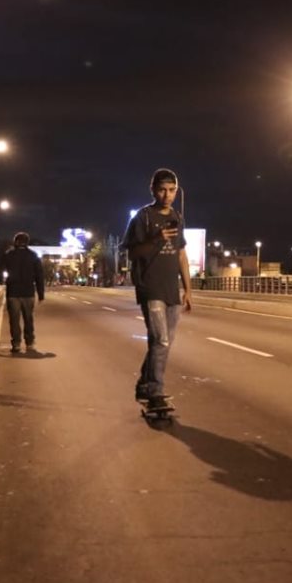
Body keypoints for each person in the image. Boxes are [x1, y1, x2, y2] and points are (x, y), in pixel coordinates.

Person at [125, 168, 192, 410]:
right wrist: (156, 239)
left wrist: (189, 290)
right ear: (153, 190)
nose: (167, 195)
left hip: (171, 289)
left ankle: (145, 385)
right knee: (160, 341)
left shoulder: (177, 217)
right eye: (162, 190)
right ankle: (155, 391)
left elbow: (182, 255)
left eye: (172, 190)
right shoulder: (142, 217)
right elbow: (132, 252)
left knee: (162, 343)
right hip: (150, 286)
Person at [0, 231, 45, 353]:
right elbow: (39, 276)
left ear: (15, 242)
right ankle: (29, 342)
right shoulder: (33, 256)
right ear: (27, 242)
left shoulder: (8, 255)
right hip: (28, 292)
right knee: (28, 318)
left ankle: (16, 344)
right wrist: (41, 294)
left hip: (13, 292)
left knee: (14, 319)